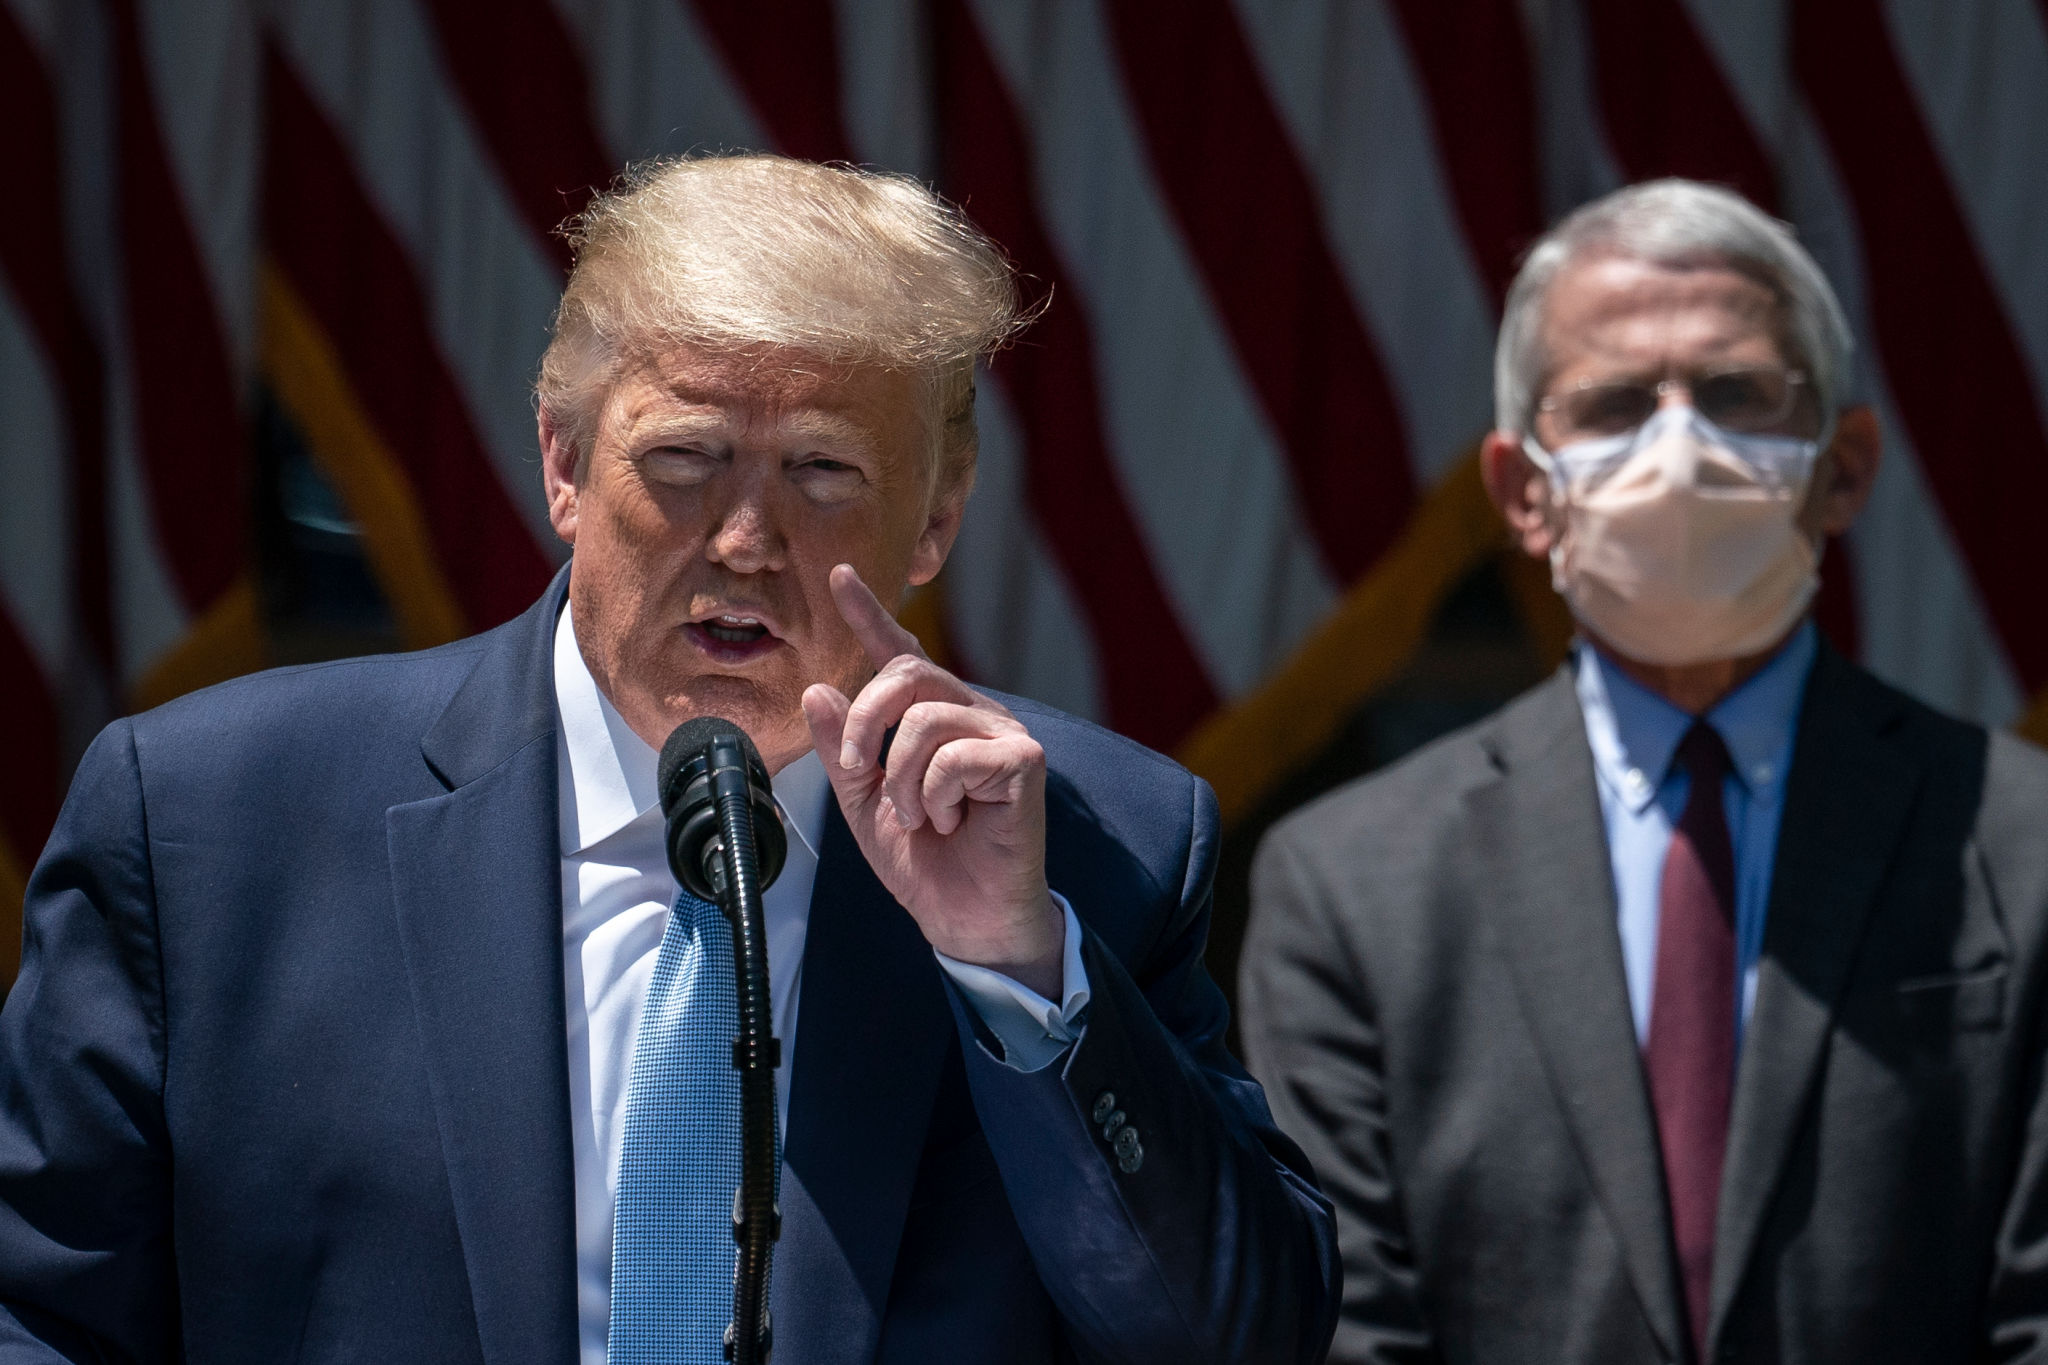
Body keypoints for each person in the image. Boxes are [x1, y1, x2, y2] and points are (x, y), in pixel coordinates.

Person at [0, 154, 1337, 1364]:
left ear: (934, 519)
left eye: (823, 470)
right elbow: (42, 1318)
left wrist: (1014, 969)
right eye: (686, 457)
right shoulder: (207, 826)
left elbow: (1243, 1339)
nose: (746, 535)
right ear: (564, 465)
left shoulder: (1098, 843)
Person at [1239, 179, 2048, 1364]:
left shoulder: (2019, 844)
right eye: (1615, 405)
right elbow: (1342, 1325)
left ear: (1844, 465)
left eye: (1735, 395)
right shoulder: (1353, 883)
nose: (1678, 448)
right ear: (1521, 493)